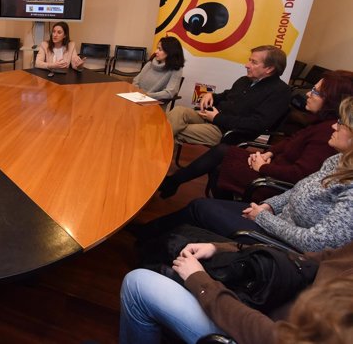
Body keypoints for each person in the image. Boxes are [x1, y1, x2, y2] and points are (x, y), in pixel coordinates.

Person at [137, 96, 353, 253]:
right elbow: (298, 188)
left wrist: (264, 217)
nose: (334, 125)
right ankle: (148, 237)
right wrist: (270, 206)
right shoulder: (337, 160)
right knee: (201, 203)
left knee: (200, 207)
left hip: (280, 242)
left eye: (341, 123)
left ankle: (146, 241)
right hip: (272, 215)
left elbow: (317, 243)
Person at [158, 70, 353, 199]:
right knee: (183, 118)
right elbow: (292, 141)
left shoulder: (327, 132)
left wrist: (264, 167)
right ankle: (171, 177)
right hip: (269, 162)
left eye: (316, 92)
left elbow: (298, 174)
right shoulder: (320, 122)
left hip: (269, 177)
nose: (308, 94)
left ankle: (173, 180)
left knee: (221, 157)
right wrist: (270, 152)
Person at [120, 240, 353, 344]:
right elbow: (313, 260)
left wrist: (201, 282)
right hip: (269, 296)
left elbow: (273, 337)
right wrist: (222, 248)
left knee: (138, 284)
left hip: (257, 329)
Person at [166, 45, 291, 147]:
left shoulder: (280, 91)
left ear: (269, 69)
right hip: (212, 116)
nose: (246, 65)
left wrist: (217, 118)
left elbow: (257, 124)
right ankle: (153, 154)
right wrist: (211, 96)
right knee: (179, 111)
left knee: (177, 130)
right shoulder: (245, 80)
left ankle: (154, 158)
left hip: (227, 131)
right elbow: (226, 95)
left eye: (253, 62)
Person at [132, 36, 185, 103]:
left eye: (160, 49)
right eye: (157, 48)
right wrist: (137, 93)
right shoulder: (151, 62)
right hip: (136, 98)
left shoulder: (176, 69)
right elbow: (136, 80)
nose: (156, 51)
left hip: (154, 103)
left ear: (170, 52)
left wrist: (147, 96)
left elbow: (170, 92)